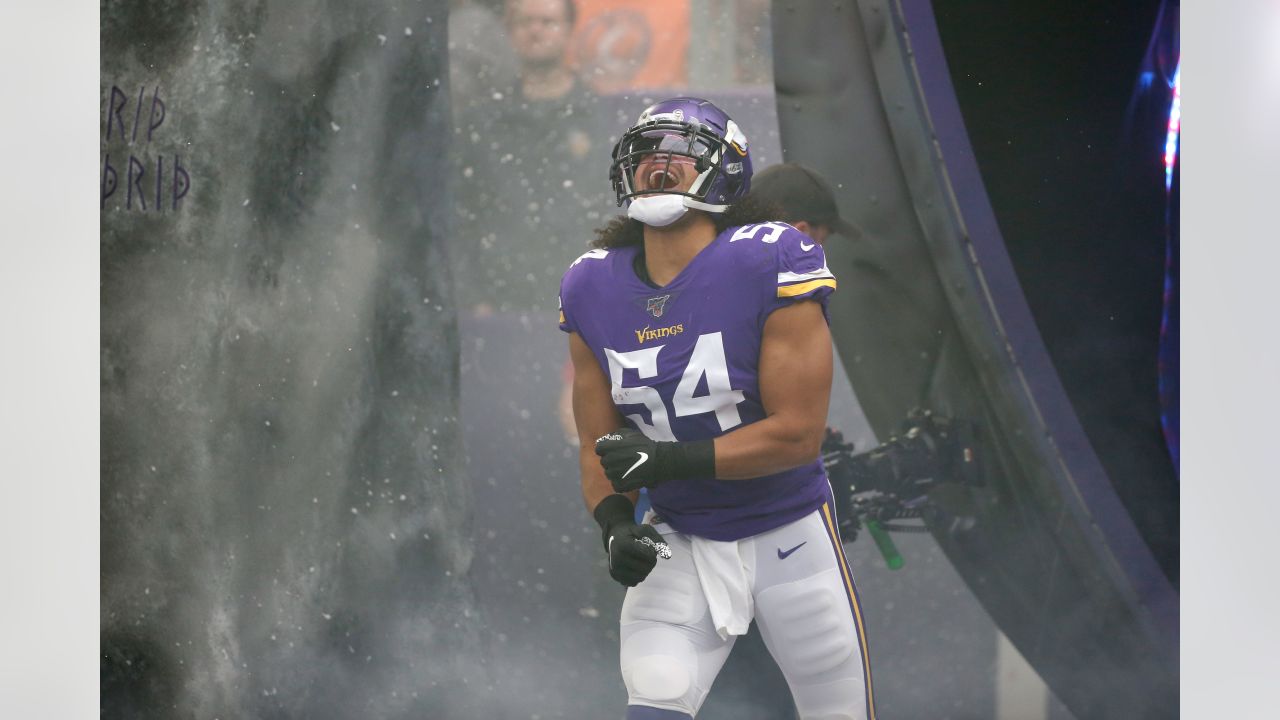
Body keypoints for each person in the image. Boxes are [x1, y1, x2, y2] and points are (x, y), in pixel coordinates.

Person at [559, 97, 877, 720]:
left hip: (787, 530)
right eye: (648, 156)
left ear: (722, 172)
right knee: (654, 699)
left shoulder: (768, 257)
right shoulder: (591, 284)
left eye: (678, 156)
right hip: (681, 534)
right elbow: (599, 449)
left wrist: (667, 459)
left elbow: (796, 438)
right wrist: (616, 524)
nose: (658, 168)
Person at [453, 0, 607, 314]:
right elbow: (461, 216)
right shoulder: (482, 123)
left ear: (568, 31)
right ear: (509, 32)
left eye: (547, 22)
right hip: (501, 305)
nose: (535, 31)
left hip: (583, 303)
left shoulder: (600, 120)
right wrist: (473, 298)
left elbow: (615, 211)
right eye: (525, 22)